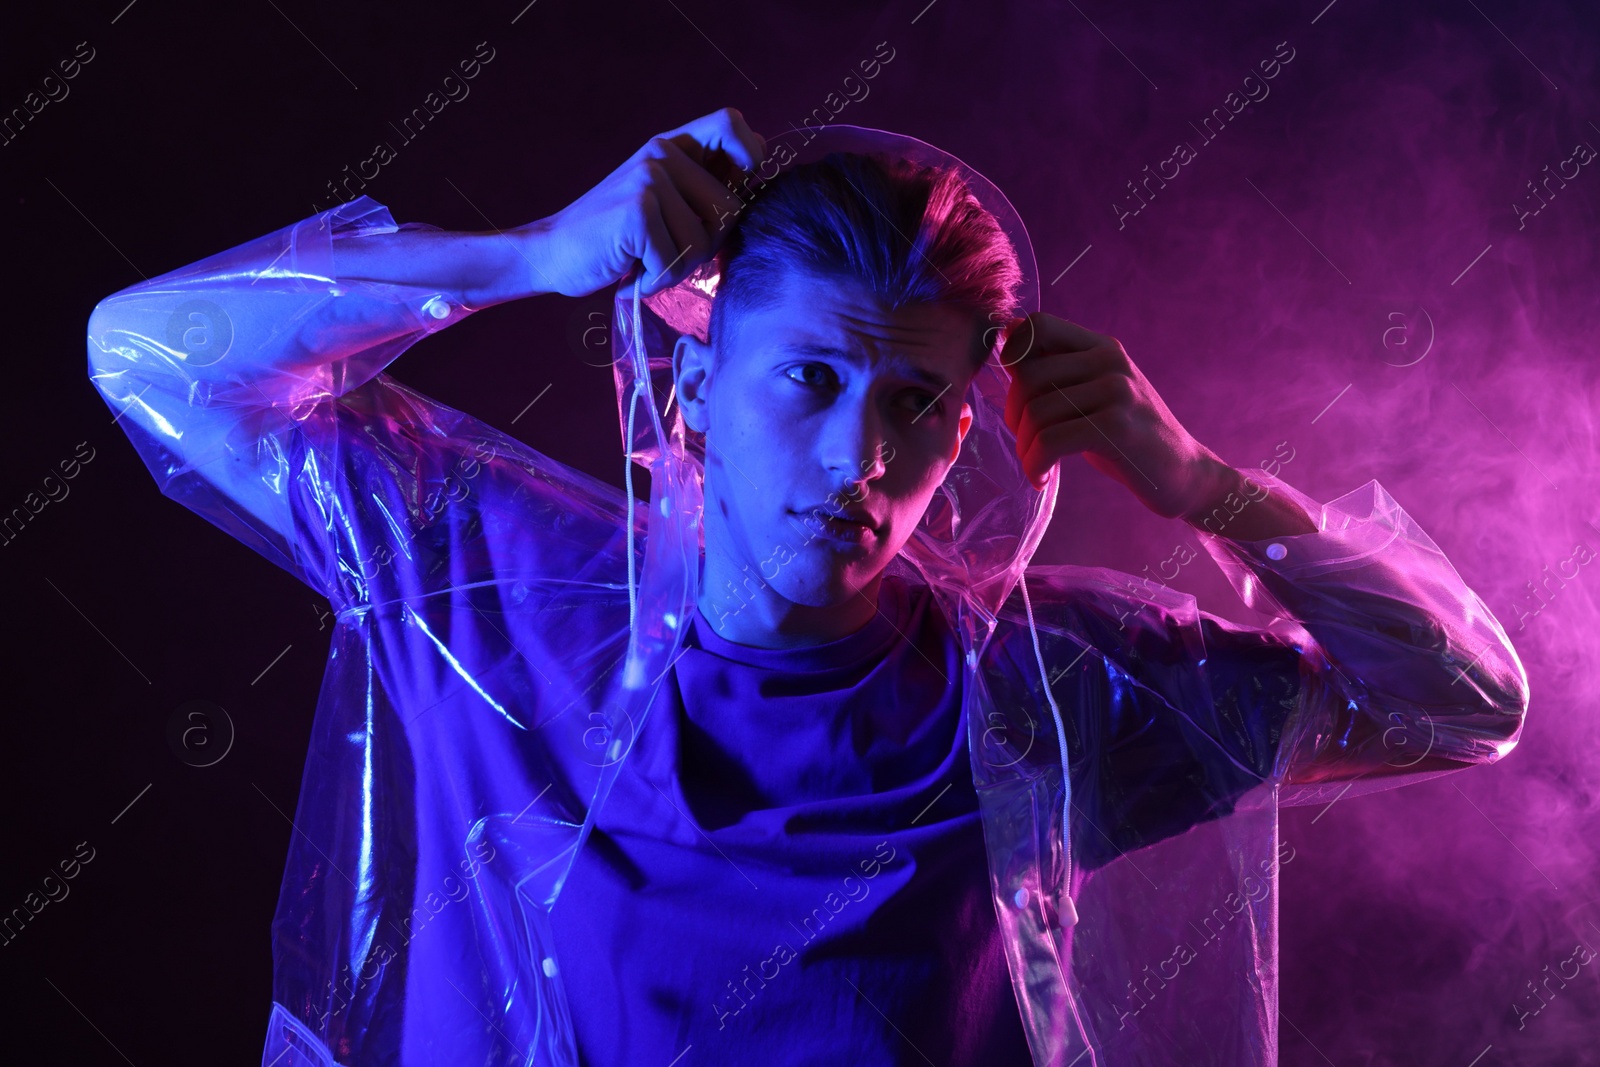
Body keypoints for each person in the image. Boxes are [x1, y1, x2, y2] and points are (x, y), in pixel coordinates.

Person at [86, 109, 1529, 1066]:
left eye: (911, 401)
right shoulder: (500, 585)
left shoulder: (1035, 694)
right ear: (696, 392)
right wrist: (528, 256)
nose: (858, 456)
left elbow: (1458, 703)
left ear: (963, 432)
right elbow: (148, 354)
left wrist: (1200, 481)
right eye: (810, 379)